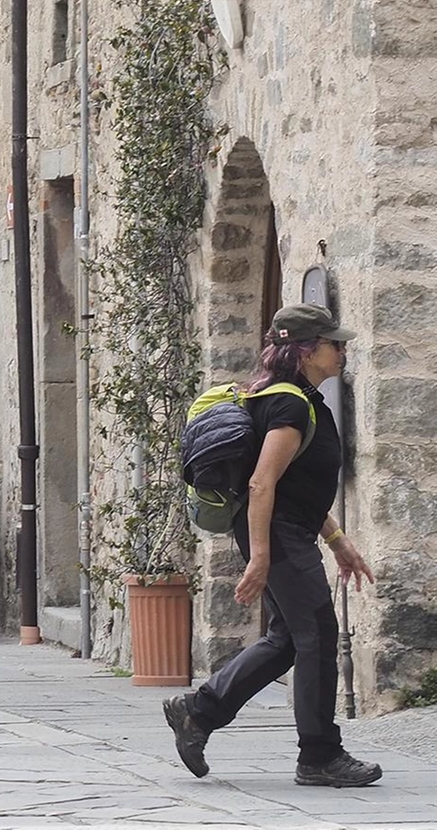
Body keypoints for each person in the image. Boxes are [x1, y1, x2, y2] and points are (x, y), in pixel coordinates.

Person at [164, 303, 380, 788]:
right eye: (333, 343)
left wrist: (337, 540)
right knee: (319, 634)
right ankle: (320, 756)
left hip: (286, 529)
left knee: (287, 639)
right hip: (276, 533)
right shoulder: (287, 405)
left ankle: (197, 712)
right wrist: (261, 557)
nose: (342, 350)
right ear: (306, 351)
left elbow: (295, 487)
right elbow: (263, 485)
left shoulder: (297, 399)